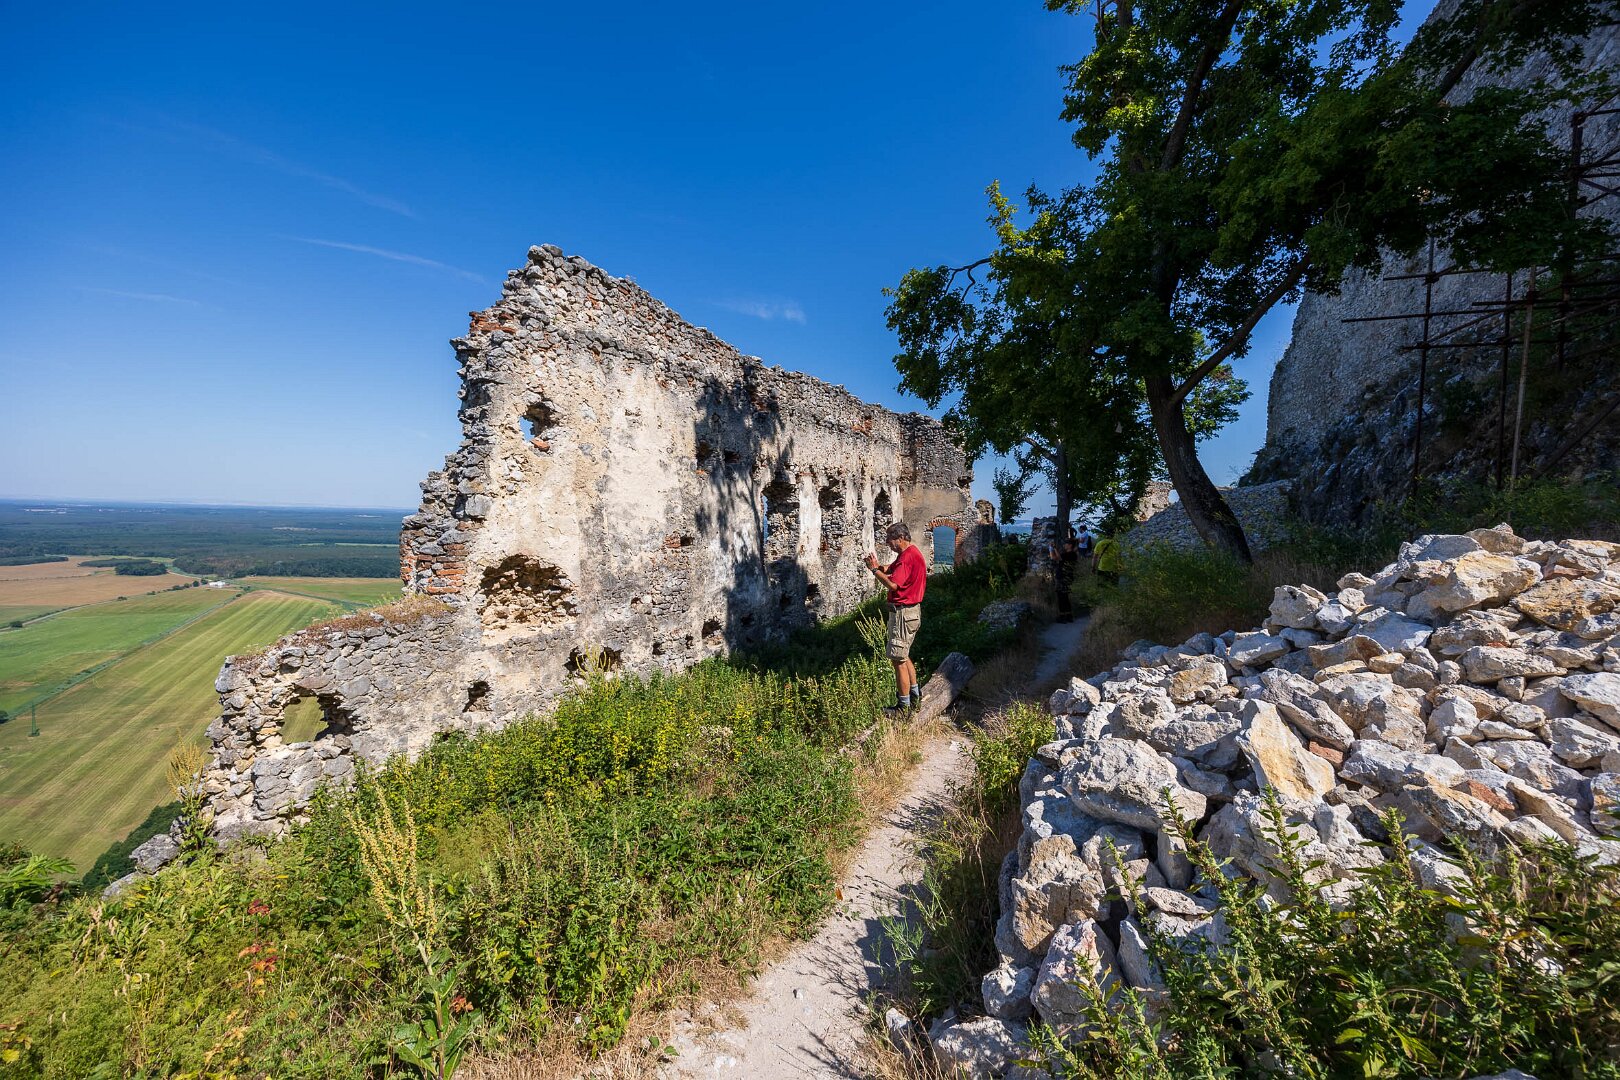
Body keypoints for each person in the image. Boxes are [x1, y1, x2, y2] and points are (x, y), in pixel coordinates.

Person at [865, 521, 927, 711]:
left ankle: (903, 707)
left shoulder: (907, 558)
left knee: (898, 660)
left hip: (903, 614)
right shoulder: (909, 554)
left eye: (889, 540)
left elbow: (893, 585)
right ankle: (915, 696)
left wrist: (874, 571)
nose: (887, 544)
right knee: (904, 654)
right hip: (909, 613)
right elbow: (891, 570)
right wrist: (877, 566)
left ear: (900, 538)